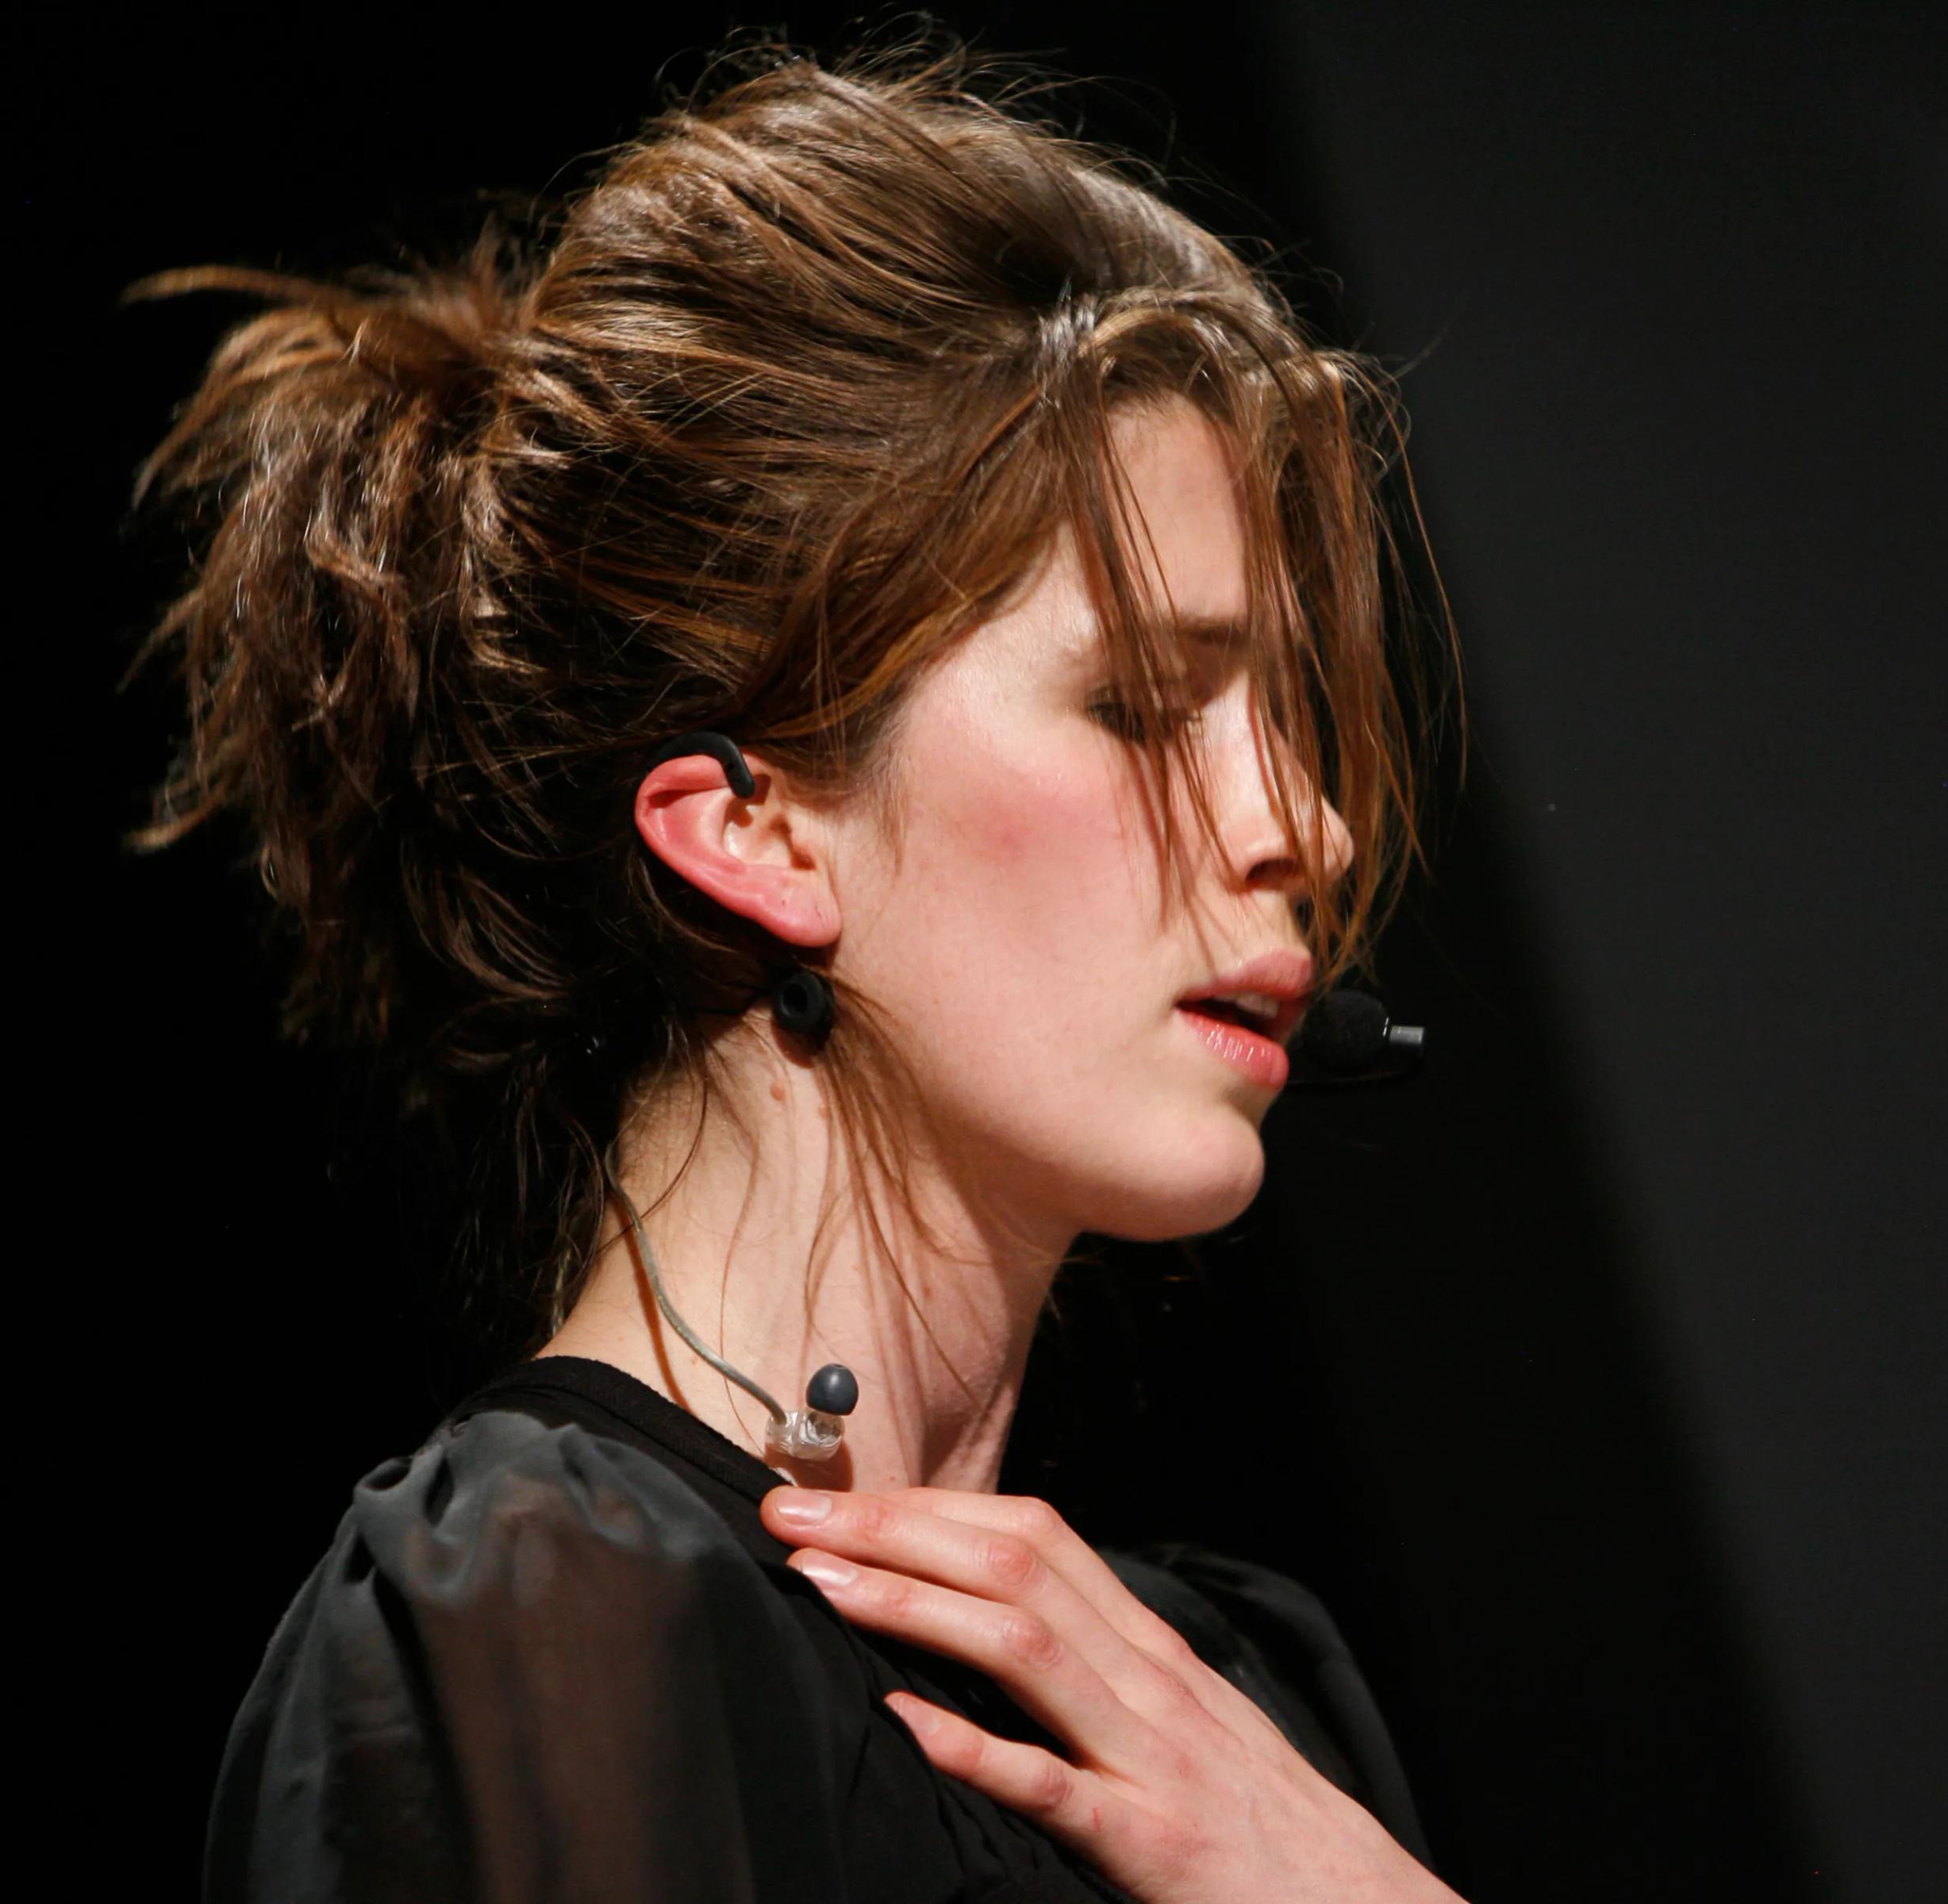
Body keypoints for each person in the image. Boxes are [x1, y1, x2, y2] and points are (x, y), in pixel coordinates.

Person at [144, 47, 1458, 1904]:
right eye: (1144, 706)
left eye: (1290, 717)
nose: (1306, 826)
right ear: (754, 830)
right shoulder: (544, 1612)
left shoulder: (1240, 1708)